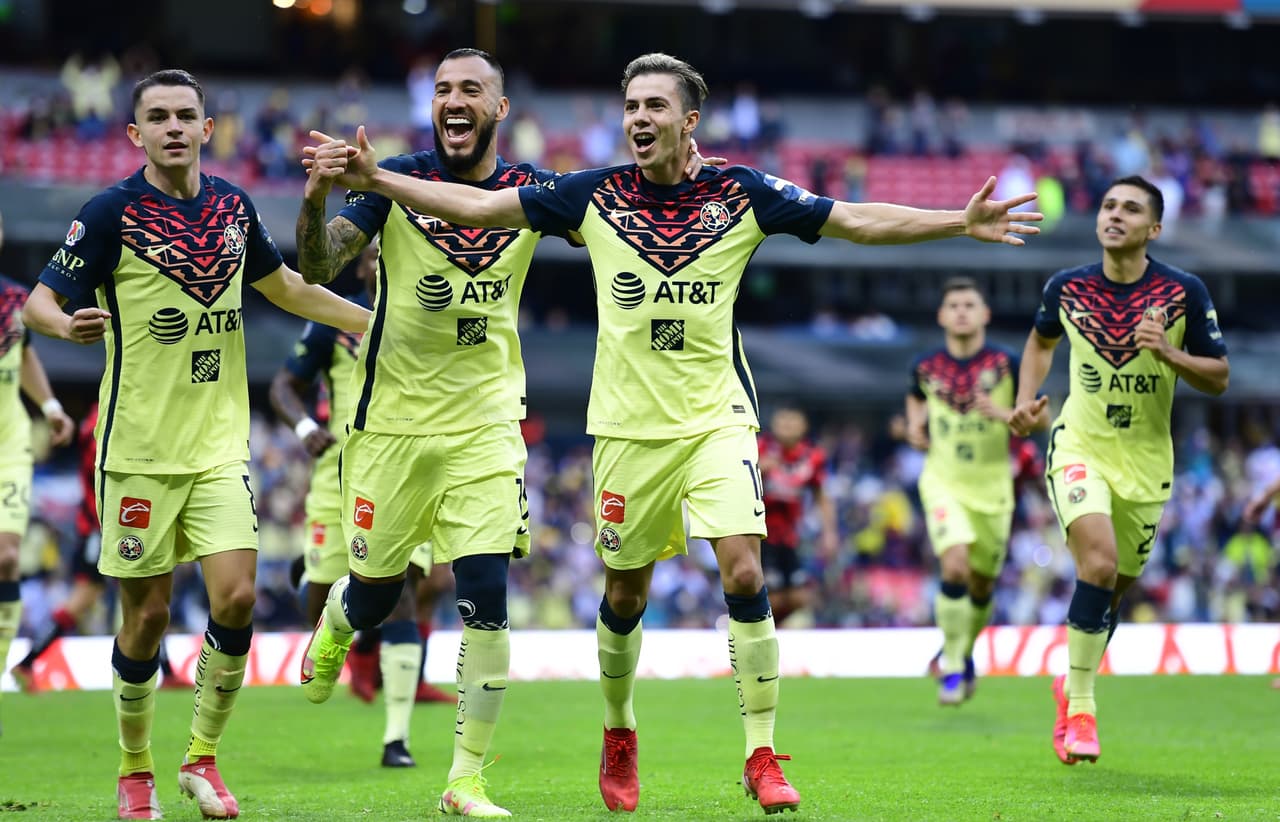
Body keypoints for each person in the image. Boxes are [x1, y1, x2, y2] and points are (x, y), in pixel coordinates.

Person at [311, 51, 1042, 814]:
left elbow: (851, 219)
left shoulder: (742, 192)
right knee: (624, 593)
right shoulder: (592, 194)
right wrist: (380, 180)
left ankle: (761, 752)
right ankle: (619, 728)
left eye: (654, 106)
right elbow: (480, 211)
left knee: (745, 572)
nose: (638, 118)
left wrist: (958, 220)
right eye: (631, 106)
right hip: (626, 430)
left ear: (689, 120)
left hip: (717, 417)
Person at [294, 48, 716, 819]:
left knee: (484, 592)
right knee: (377, 591)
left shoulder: (534, 190)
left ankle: (465, 780)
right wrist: (318, 198)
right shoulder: (393, 180)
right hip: (391, 425)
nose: (453, 100)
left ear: (500, 109)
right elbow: (320, 266)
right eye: (442, 89)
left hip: (488, 422)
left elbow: (624, 215)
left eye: (471, 90)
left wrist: (689, 177)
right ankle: (338, 621)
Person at [21, 69, 370, 821]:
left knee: (237, 598)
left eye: (186, 115)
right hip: (137, 451)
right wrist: (65, 326)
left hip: (219, 447)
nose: (174, 127)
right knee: (146, 618)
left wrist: (375, 325)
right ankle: (135, 767)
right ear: (135, 133)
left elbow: (290, 289)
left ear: (208, 129)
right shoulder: (110, 212)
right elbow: (39, 303)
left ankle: (201, 758)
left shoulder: (234, 208)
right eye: (158, 117)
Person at [1007, 175, 1228, 766]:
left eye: (1130, 209)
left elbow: (1219, 376)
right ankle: (1082, 708)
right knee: (1098, 564)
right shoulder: (1067, 287)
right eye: (1108, 206)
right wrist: (1026, 399)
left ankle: (1069, 684)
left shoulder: (1183, 292)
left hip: (1147, 464)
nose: (1114, 215)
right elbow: (1040, 342)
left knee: (1112, 592)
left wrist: (1169, 353)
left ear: (1154, 228)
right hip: (1080, 447)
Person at [267, 240, 450, 771]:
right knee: (321, 605)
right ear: (361, 267)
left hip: (405, 469)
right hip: (338, 473)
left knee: (407, 591)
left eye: (387, 252)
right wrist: (306, 426)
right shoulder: (332, 319)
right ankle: (330, 598)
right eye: (370, 255)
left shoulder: (431, 314)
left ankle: (397, 739)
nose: (378, 260)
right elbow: (285, 384)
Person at [907, 277, 1047, 706]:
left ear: (985, 314)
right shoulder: (925, 366)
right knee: (954, 567)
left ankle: (963, 653)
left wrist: (1004, 413)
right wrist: (914, 427)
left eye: (970, 304)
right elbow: (915, 399)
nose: (962, 312)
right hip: (943, 481)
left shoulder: (1007, 363)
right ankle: (951, 668)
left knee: (983, 585)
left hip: (993, 487)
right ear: (942, 316)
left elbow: (1040, 416)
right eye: (954, 305)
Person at [11, 404, 194, 693]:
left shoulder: (100, 418)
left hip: (102, 526)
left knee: (128, 597)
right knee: (131, 596)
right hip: (102, 528)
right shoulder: (109, 420)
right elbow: (106, 477)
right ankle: (27, 662)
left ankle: (28, 662)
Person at [0, 208, 75, 736]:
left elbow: (24, 355)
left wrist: (49, 406)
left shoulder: (14, 299)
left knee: (7, 557)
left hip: (9, 446)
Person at [755, 404, 837, 627]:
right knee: (771, 596)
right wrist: (759, 470)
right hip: (761, 535)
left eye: (793, 422)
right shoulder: (759, 449)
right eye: (783, 421)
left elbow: (822, 495)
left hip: (792, 536)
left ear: (804, 426)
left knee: (799, 598)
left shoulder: (813, 457)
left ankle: (778, 632)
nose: (787, 427)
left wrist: (829, 533)